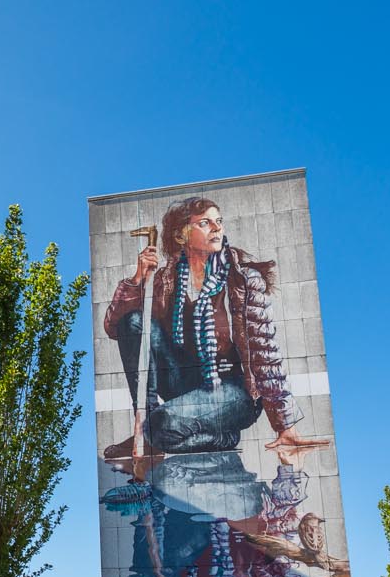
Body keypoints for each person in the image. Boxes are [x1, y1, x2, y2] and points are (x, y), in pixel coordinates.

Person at [102, 197, 323, 461]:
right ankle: (146, 429)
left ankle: (209, 436)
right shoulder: (166, 281)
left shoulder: (241, 280)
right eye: (205, 223)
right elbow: (115, 328)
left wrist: (285, 426)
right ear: (181, 235)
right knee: (134, 322)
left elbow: (265, 352)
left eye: (219, 222)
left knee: (161, 427)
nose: (217, 228)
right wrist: (138, 280)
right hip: (183, 383)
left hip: (232, 389)